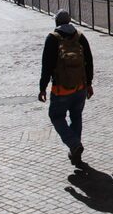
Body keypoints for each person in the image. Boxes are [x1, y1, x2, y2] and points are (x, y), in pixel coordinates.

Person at [39, 9, 95, 167]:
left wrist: (42, 88)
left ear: (56, 23)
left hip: (61, 89)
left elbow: (46, 66)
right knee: (76, 116)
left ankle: (74, 144)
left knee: (56, 117)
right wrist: (89, 83)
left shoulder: (52, 38)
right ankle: (75, 151)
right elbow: (89, 61)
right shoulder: (80, 36)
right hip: (80, 87)